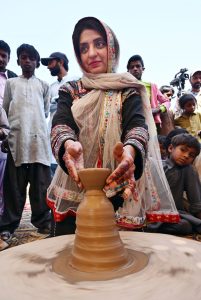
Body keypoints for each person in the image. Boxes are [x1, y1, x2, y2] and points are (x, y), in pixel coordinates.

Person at [47, 17, 179, 236]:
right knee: (68, 244)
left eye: (99, 44)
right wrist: (68, 144)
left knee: (120, 246)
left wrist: (130, 152)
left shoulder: (127, 89)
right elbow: (61, 121)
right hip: (75, 179)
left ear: (112, 48)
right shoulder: (70, 89)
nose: (91, 53)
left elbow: (136, 125)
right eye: (83, 48)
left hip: (120, 180)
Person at [0, 44, 52, 245]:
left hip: (38, 142)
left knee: (41, 186)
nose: (27, 61)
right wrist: (6, 137)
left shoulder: (43, 85)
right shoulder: (12, 84)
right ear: (18, 61)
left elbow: (45, 112)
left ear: (37, 62)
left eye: (31, 58)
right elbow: (5, 110)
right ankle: (7, 226)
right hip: (17, 142)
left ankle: (43, 222)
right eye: (23, 58)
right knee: (14, 187)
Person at [160, 133, 201, 235]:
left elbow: (196, 201)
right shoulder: (157, 165)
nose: (186, 156)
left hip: (173, 213)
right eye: (183, 150)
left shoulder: (188, 170)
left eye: (191, 155)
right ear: (170, 148)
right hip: (150, 211)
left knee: (184, 225)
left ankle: (151, 226)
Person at [127, 54, 171, 135]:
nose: (135, 69)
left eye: (138, 66)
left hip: (151, 123)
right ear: (128, 71)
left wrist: (158, 109)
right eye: (132, 67)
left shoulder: (152, 86)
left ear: (142, 69)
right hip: (130, 123)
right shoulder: (124, 86)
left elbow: (167, 102)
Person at [41, 52, 69, 177]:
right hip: (52, 137)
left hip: (71, 137)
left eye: (50, 63)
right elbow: (45, 110)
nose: (48, 67)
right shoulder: (50, 87)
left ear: (60, 62)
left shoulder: (75, 80)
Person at [0, 40, 17, 217]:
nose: (0, 59)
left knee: (6, 180)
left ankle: (3, 218)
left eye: (4, 56)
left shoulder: (13, 78)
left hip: (5, 135)